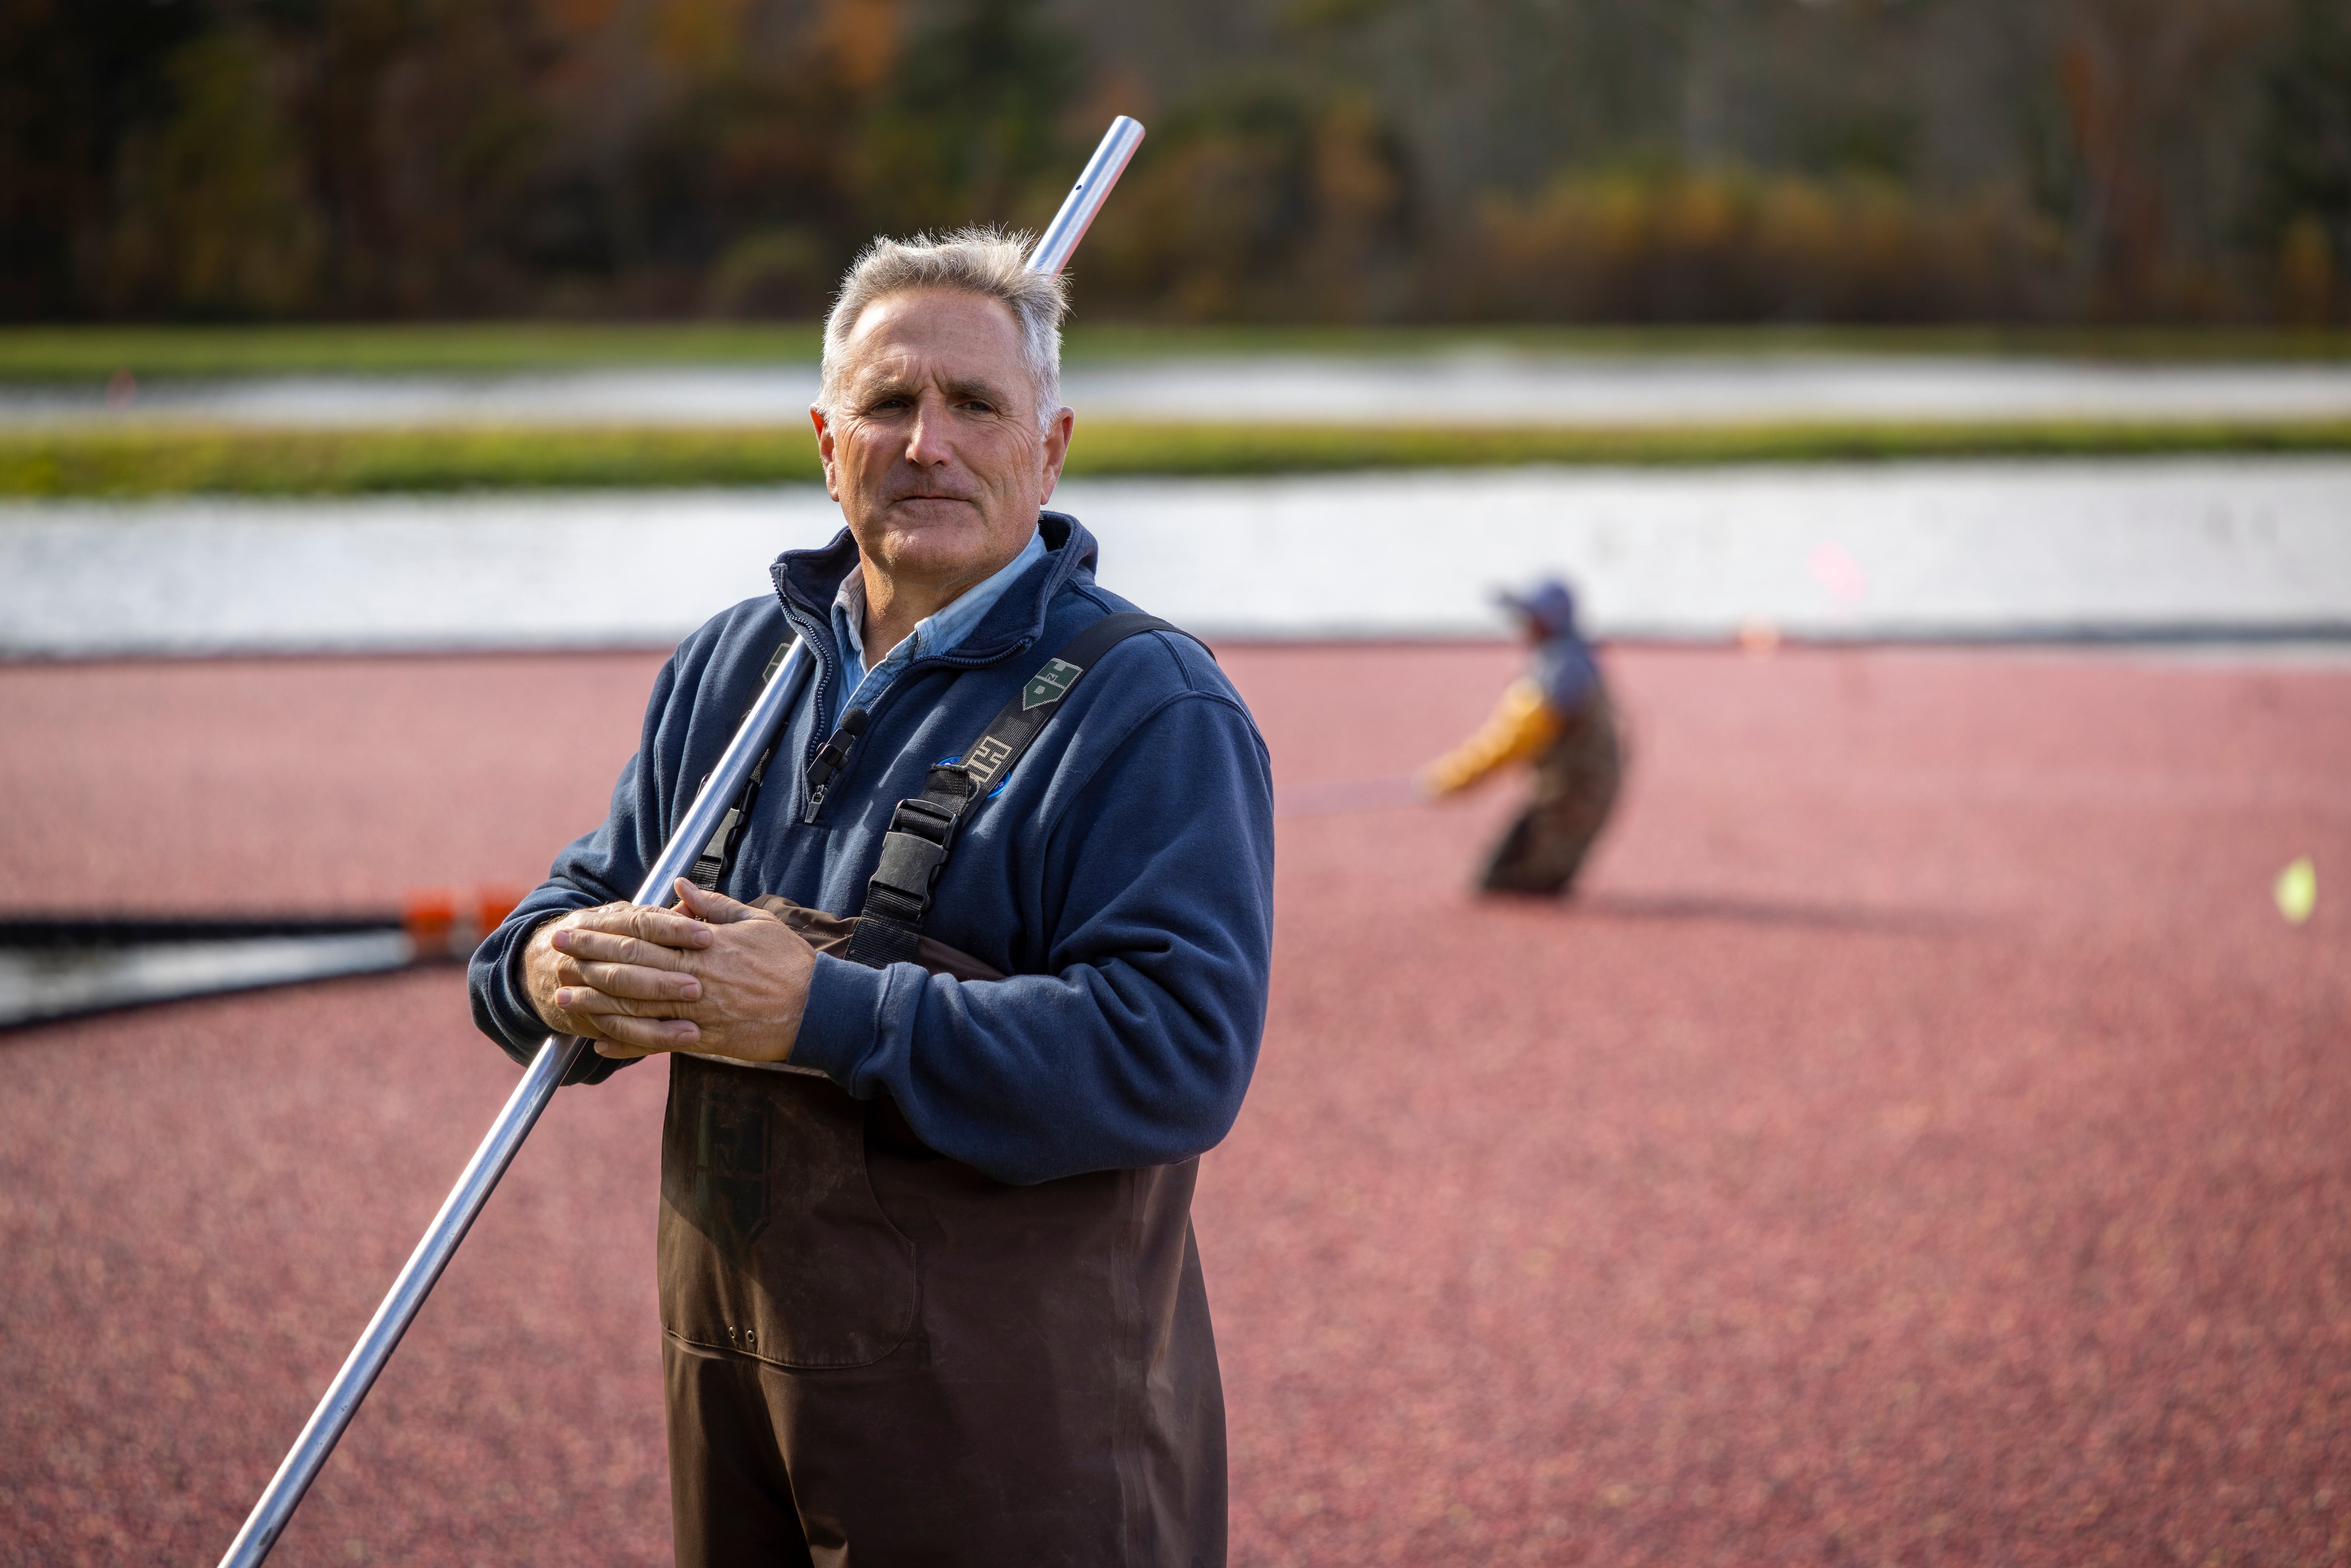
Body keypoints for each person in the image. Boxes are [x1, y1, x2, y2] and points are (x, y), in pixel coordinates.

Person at [468, 229, 1275, 1568]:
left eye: (976, 405)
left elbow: (1178, 1054)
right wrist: (548, 970)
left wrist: (826, 1013)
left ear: (1051, 448)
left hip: (1018, 1438)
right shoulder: (732, 670)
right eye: (889, 402)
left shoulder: (1151, 708)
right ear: (825, 442)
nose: (927, 443)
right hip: (734, 1393)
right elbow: (581, 899)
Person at [1417, 578, 1621, 895]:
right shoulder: (1562, 656)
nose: (1522, 625)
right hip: (1565, 789)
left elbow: (1514, 737)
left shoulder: (1563, 669)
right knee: (1502, 877)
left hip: (1576, 797)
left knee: (1516, 884)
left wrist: (1455, 776)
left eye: (1531, 618)